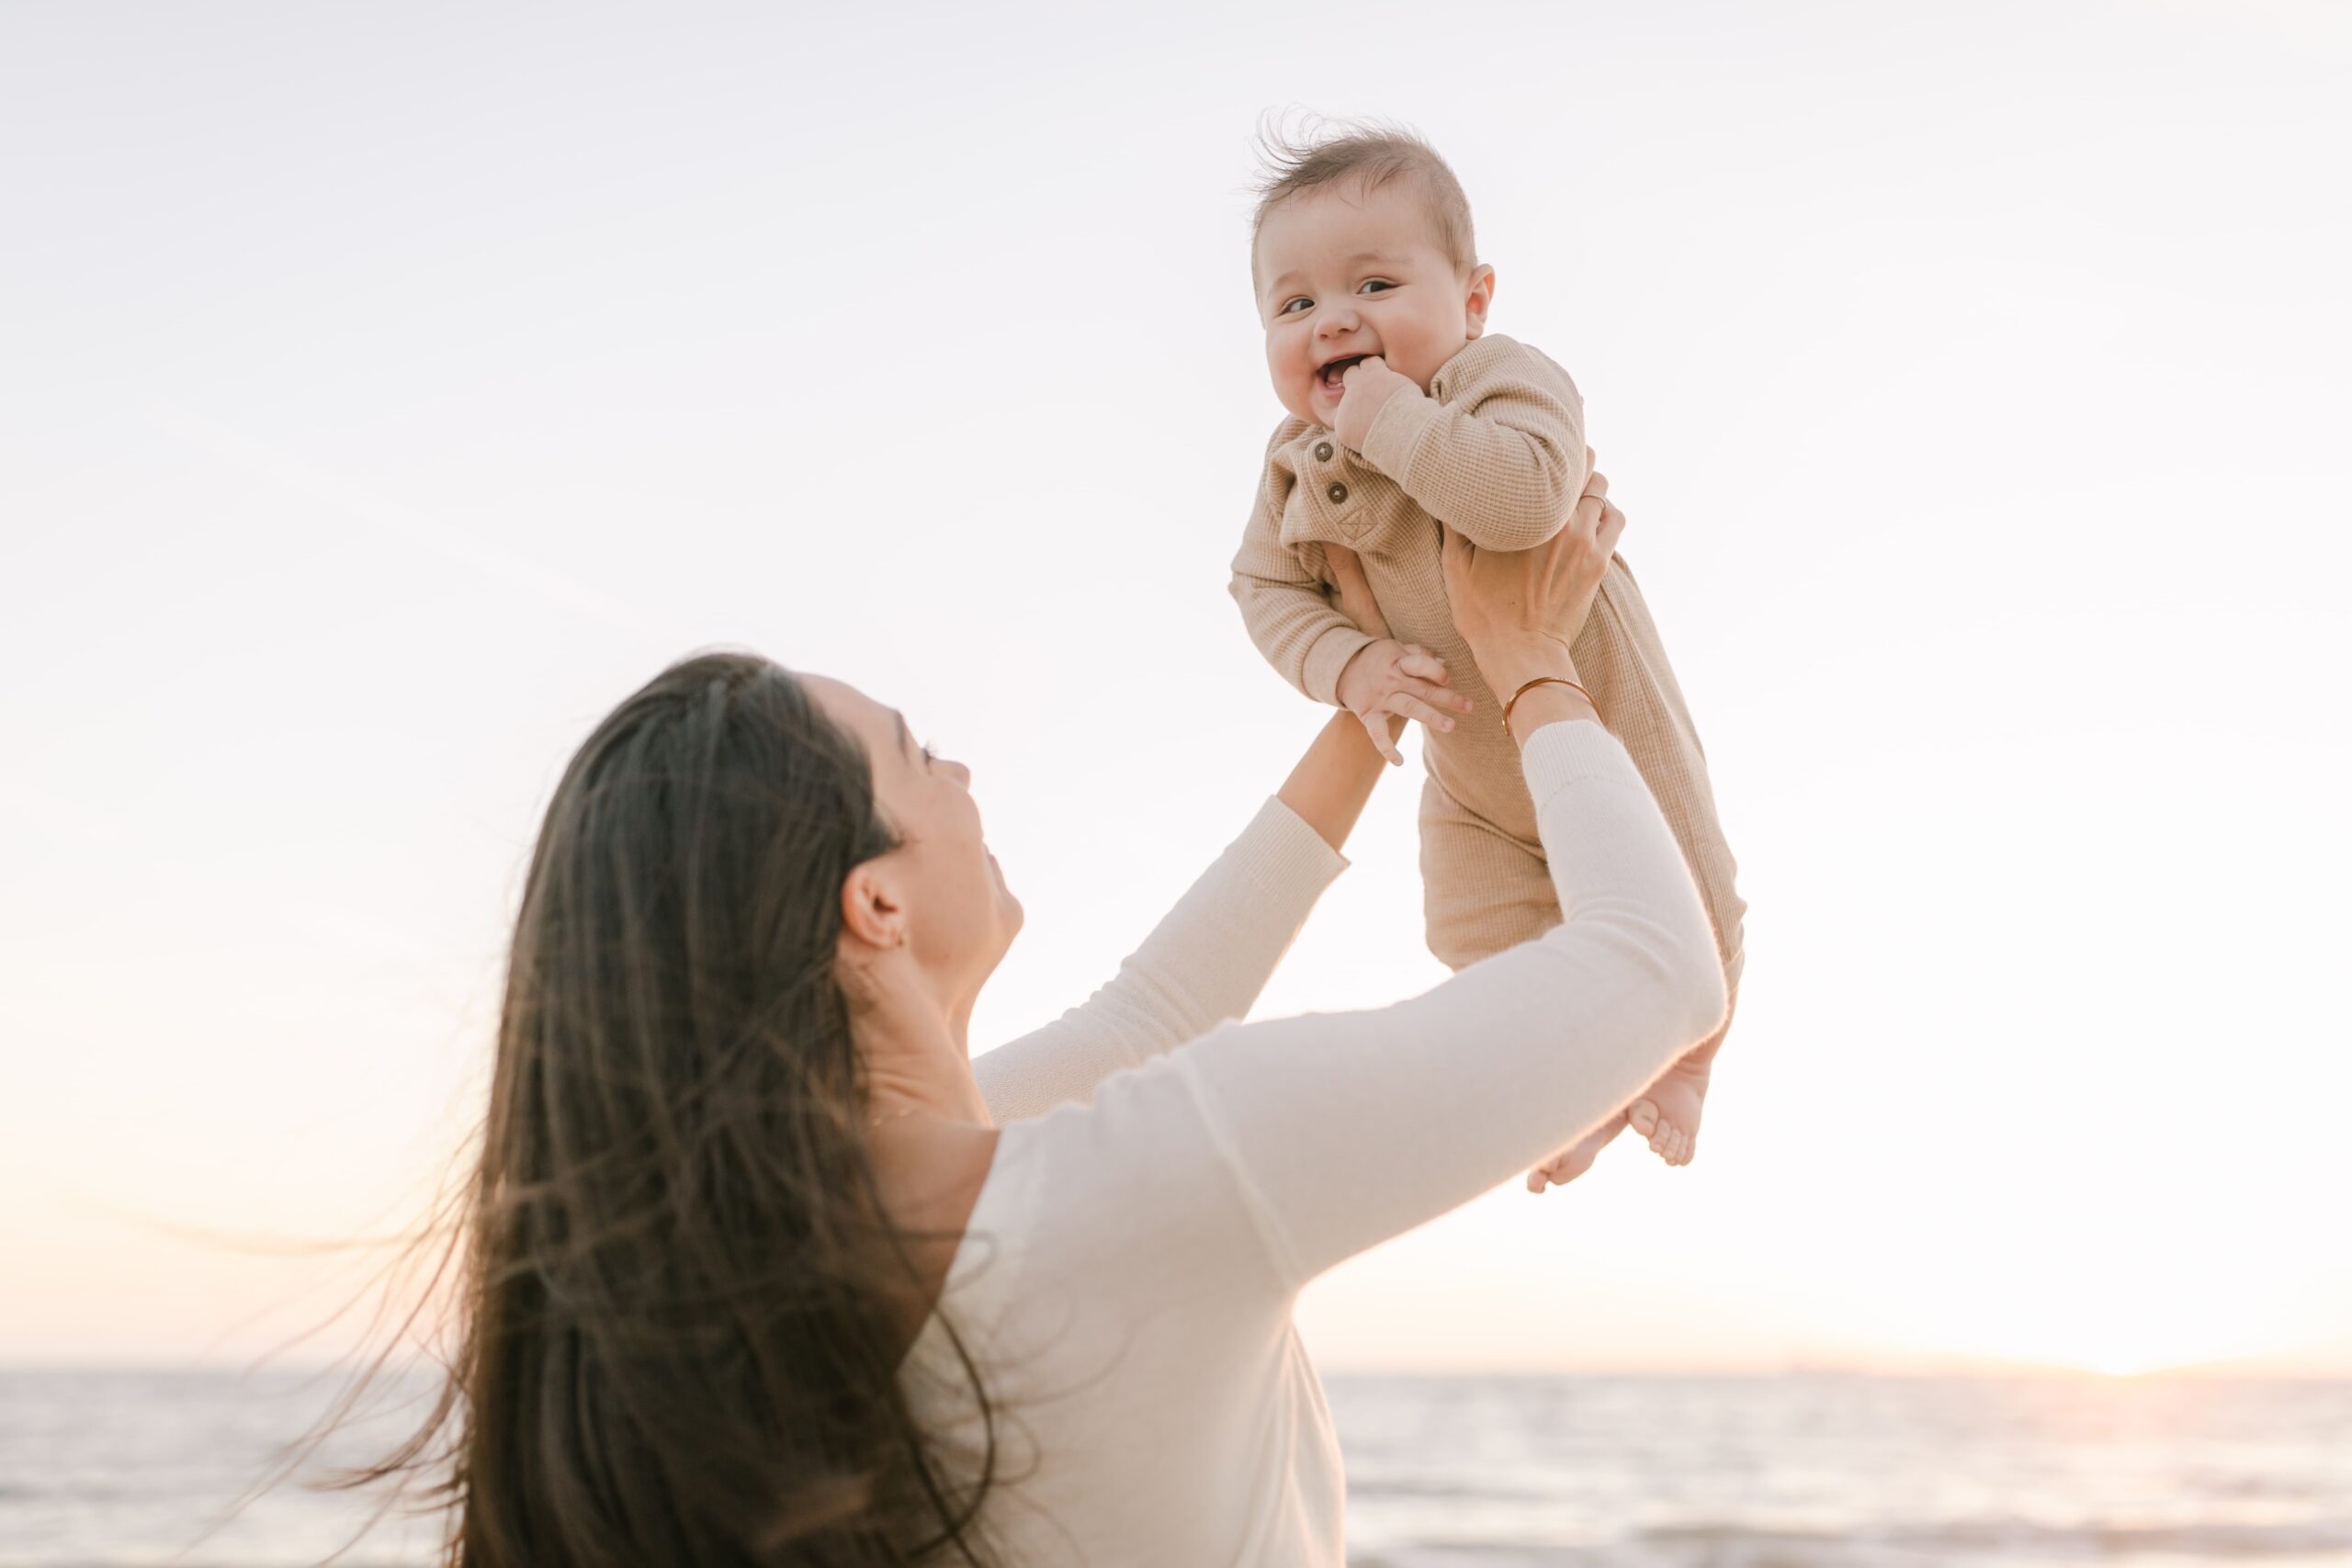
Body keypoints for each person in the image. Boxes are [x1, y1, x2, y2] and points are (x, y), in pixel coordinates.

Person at [382, 473, 1724, 1565]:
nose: (960, 768)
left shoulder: (782, 1274)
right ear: (876, 907)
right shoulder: (1155, 1182)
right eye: (916, 755)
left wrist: (1378, 707)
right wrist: (1532, 658)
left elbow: (1154, 1008)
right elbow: (1658, 964)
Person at [1228, 121, 1747, 1186]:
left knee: (1683, 880)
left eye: (1372, 285)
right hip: (1469, 769)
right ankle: (1574, 1087)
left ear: (1472, 299)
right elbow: (1263, 588)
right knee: (1472, 933)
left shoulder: (1498, 380)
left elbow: (1518, 505)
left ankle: (1687, 1060)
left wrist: (1393, 420)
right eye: (1294, 305)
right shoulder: (1292, 464)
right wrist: (1346, 664)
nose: (1333, 320)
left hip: (1601, 721)